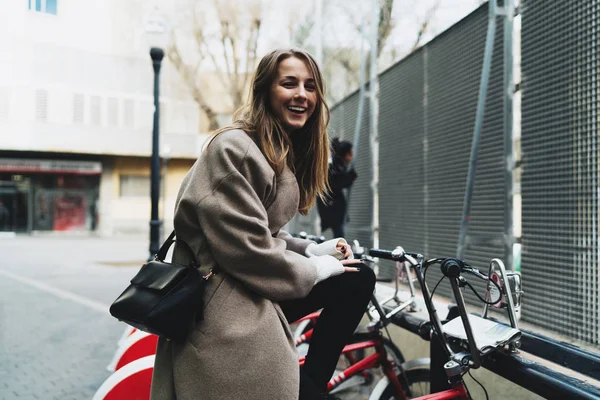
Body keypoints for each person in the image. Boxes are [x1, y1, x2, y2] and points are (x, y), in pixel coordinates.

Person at [150, 49, 376, 400]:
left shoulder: (272, 150)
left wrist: (311, 250)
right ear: (265, 91)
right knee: (352, 280)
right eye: (289, 84)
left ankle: (311, 386)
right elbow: (246, 249)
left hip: (244, 290)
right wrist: (315, 268)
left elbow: (261, 229)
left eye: (310, 86)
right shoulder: (236, 149)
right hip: (222, 308)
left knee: (357, 277)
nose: (302, 94)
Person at [317, 138, 357, 238]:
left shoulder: (335, 165)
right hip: (331, 207)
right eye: (350, 154)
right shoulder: (335, 167)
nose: (351, 157)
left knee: (338, 231)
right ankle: (339, 250)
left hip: (331, 206)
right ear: (345, 154)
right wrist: (350, 176)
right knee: (338, 232)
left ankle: (338, 249)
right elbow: (338, 183)